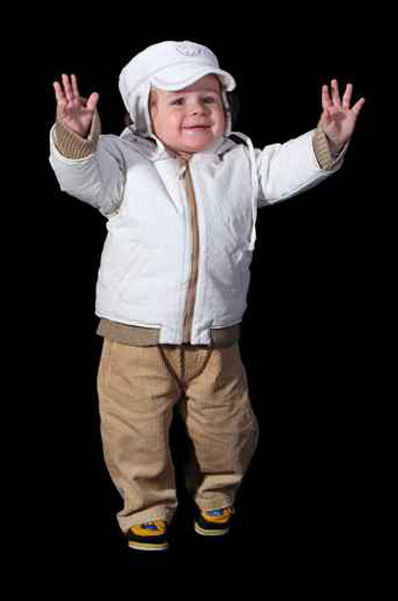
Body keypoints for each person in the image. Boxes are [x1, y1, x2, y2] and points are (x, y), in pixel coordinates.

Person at [49, 40, 365, 552]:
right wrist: (75, 135)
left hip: (217, 335)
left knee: (228, 426)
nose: (197, 109)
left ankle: (217, 494)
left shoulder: (239, 162)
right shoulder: (122, 162)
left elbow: (282, 168)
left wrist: (326, 139)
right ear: (145, 113)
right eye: (177, 100)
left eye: (209, 99)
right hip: (136, 337)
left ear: (226, 109)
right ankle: (146, 508)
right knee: (134, 430)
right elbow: (78, 175)